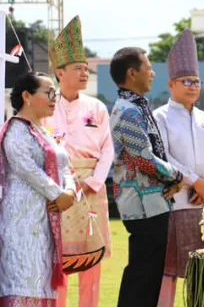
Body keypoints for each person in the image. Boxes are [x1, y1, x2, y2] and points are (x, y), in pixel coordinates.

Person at [42, 16, 115, 307]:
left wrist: (95, 181)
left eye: (86, 69)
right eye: (78, 69)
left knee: (91, 260)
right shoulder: (44, 105)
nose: (85, 74)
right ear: (60, 72)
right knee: (57, 259)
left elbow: (108, 148)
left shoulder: (96, 107)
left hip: (92, 188)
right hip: (57, 190)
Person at [109, 47, 184, 307]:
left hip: (152, 203)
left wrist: (173, 179)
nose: (152, 73)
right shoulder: (128, 110)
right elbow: (144, 158)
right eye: (148, 67)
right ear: (132, 73)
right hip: (141, 205)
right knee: (142, 276)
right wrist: (177, 175)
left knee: (148, 275)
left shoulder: (137, 106)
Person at [154, 30, 204, 307]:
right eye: (187, 81)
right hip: (175, 202)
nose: (193, 86)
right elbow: (163, 156)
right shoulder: (160, 116)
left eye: (197, 81)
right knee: (168, 271)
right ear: (171, 83)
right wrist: (195, 181)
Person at [0, 73, 77, 306]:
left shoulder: (45, 133)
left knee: (41, 281)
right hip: (22, 220)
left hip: (45, 221)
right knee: (23, 279)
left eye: (56, 93)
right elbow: (26, 168)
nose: (55, 98)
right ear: (27, 96)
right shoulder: (15, 130)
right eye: (49, 92)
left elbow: (65, 166)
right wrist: (58, 194)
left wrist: (70, 192)